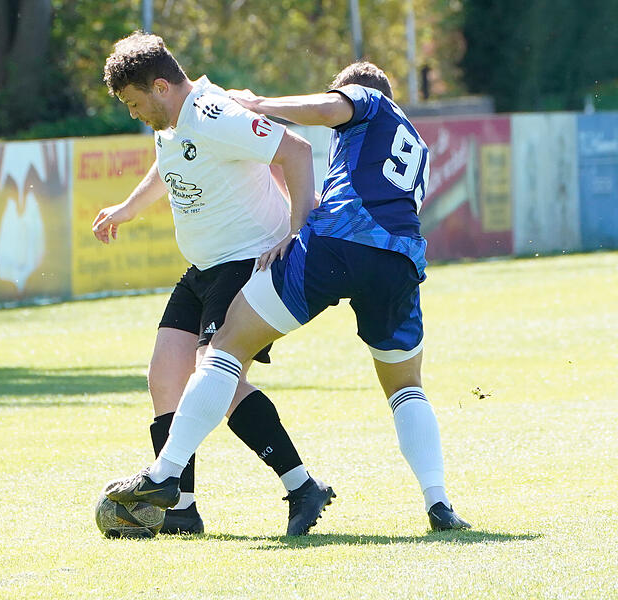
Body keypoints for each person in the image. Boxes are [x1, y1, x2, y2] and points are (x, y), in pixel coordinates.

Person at [107, 61, 471, 532]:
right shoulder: (414, 144)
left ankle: (164, 476)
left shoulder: (367, 100)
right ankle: (438, 503)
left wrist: (257, 104)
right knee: (405, 388)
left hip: (334, 243)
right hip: (399, 260)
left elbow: (322, 115)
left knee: (225, 352)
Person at [93, 31, 334, 536]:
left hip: (245, 261)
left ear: (161, 86)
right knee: (165, 377)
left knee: (218, 380)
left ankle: (299, 487)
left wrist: (297, 231)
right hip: (203, 269)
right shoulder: (175, 122)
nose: (135, 114)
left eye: (136, 103)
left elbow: (295, 149)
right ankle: (182, 508)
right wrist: (127, 209)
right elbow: (168, 166)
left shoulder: (212, 113)